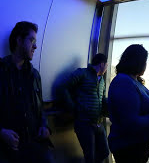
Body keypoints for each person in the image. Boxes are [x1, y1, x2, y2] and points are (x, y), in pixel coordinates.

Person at [0, 21, 54, 163]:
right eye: (32, 40)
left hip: (36, 145)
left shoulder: (34, 75)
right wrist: (1, 132)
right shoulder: (1, 71)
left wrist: (44, 126)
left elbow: (40, 107)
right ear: (19, 40)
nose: (35, 46)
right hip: (8, 150)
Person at [107, 44, 149, 163]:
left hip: (136, 146)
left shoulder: (133, 80)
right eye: (145, 61)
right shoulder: (124, 82)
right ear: (138, 62)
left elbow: (137, 105)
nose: (146, 65)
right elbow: (130, 122)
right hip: (129, 148)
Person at [60, 53, 109, 163]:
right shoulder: (82, 73)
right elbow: (64, 88)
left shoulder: (101, 80)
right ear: (102, 64)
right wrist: (73, 108)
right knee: (89, 157)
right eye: (107, 65)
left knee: (104, 152)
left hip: (98, 122)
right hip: (84, 124)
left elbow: (102, 99)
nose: (107, 68)